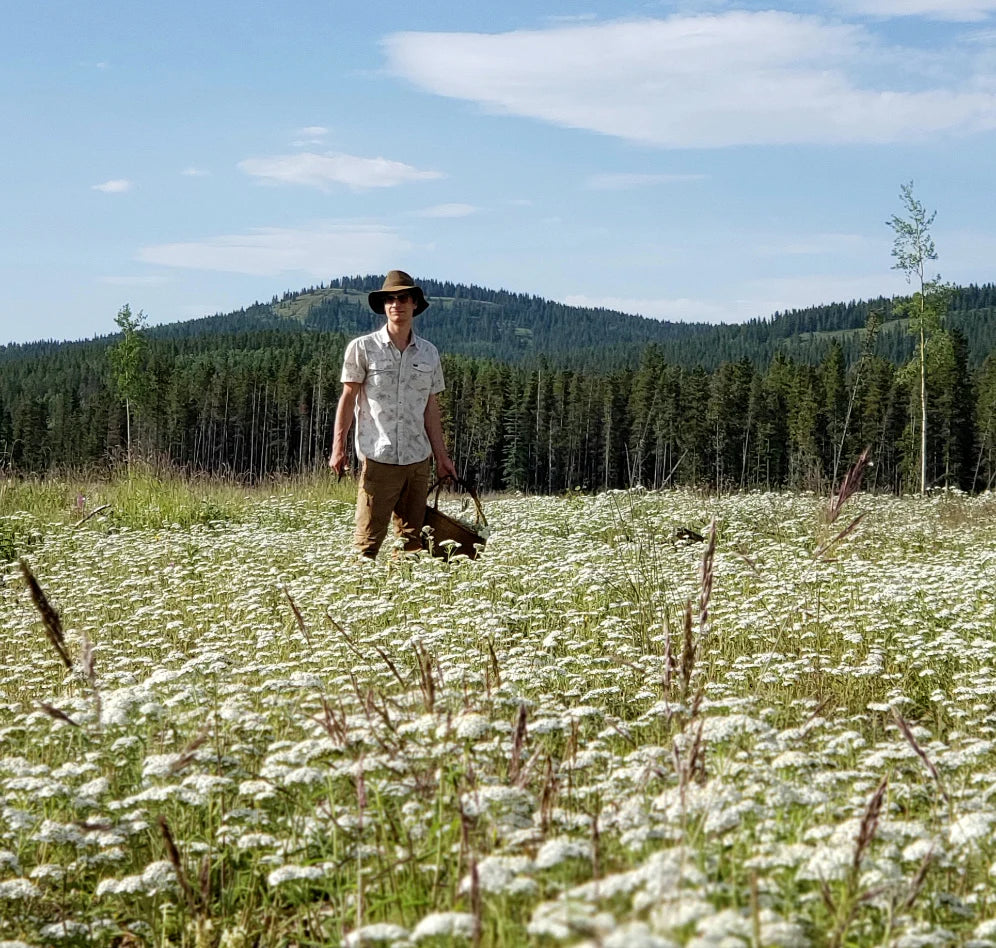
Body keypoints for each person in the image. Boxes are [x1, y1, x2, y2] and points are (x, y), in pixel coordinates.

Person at [329, 270, 458, 557]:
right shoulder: (362, 348)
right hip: (378, 458)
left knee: (412, 545)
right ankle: (361, 594)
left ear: (414, 304)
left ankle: (401, 597)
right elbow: (348, 399)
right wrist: (338, 448)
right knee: (367, 543)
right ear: (384, 305)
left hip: (417, 461)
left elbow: (430, 407)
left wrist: (442, 457)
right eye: (389, 299)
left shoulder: (429, 353)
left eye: (402, 298)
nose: (395, 304)